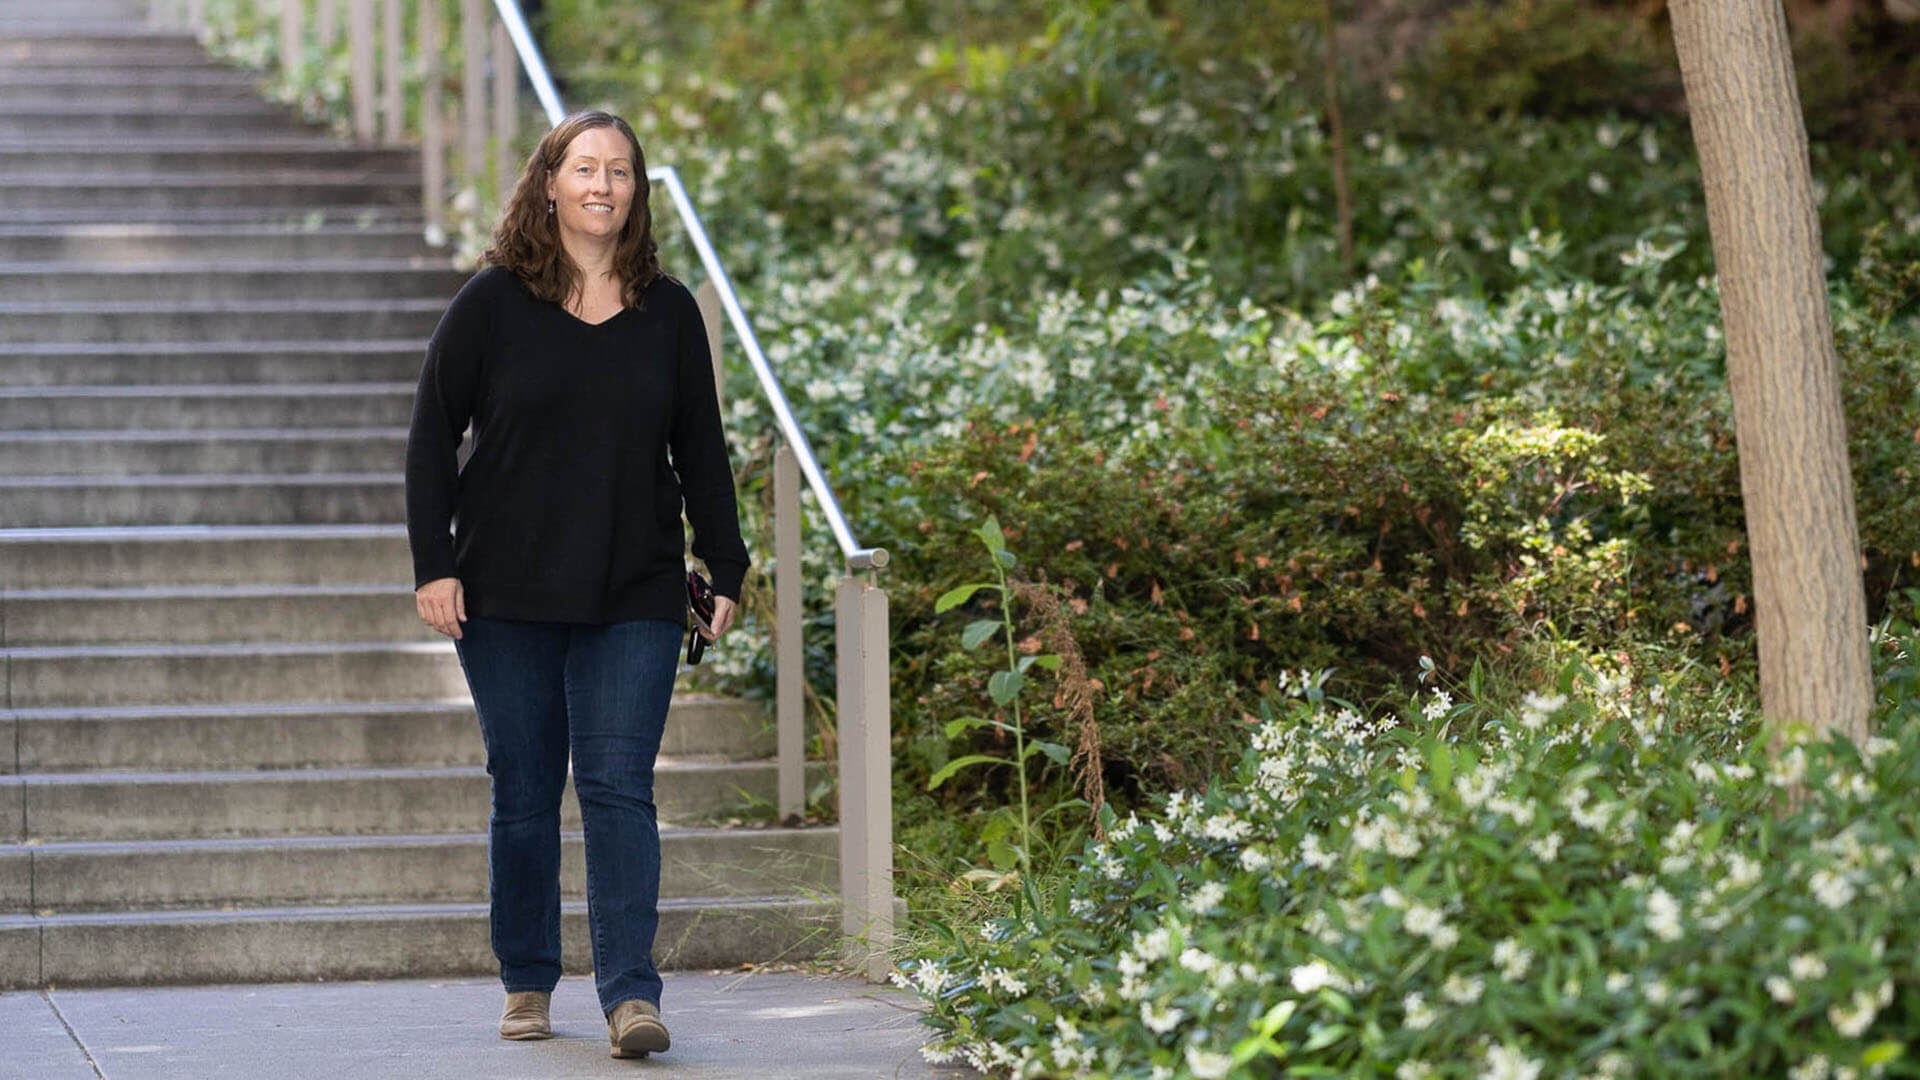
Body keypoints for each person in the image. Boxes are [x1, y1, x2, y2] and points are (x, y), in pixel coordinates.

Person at [404, 109, 747, 1060]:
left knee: (618, 788)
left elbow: (702, 448)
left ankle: (631, 996)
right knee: (522, 790)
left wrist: (727, 561)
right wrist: (434, 563)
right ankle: (525, 980)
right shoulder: (492, 303)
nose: (603, 185)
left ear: (637, 192)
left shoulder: (667, 310)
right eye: (584, 168)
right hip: (504, 588)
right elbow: (432, 436)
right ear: (548, 182)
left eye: (622, 172)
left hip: (633, 583)